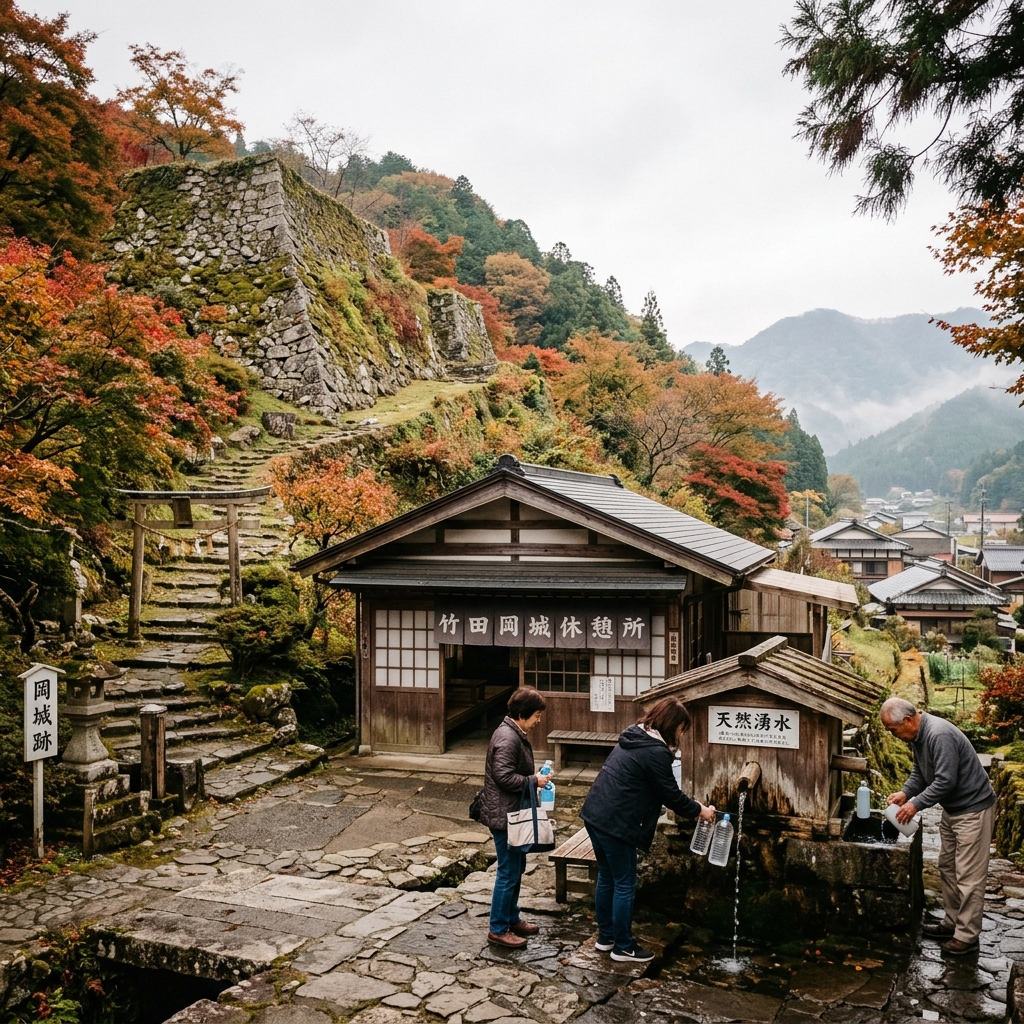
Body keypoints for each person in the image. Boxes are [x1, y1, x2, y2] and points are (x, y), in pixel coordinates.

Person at [580, 696, 715, 963]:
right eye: (681, 729)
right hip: (616, 823)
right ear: (672, 725)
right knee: (625, 883)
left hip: (595, 813)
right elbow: (670, 795)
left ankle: (606, 938)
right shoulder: (655, 751)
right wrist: (700, 809)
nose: (681, 734)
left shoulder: (634, 737)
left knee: (607, 877)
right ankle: (623, 947)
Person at [881, 696, 996, 955]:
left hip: (974, 809)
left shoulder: (938, 734)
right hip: (954, 809)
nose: (893, 735)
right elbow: (920, 773)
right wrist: (905, 793)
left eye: (893, 729)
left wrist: (915, 805)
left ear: (908, 720)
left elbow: (945, 781)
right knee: (947, 867)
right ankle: (952, 922)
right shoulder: (917, 738)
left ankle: (967, 936)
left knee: (969, 875)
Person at [478, 687, 550, 949]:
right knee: (508, 871)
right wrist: (534, 780)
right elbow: (503, 776)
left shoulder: (513, 732)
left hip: (510, 811)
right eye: (536, 715)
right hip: (504, 815)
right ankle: (498, 928)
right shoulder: (508, 738)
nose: (538, 720)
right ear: (522, 714)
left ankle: (511, 917)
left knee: (516, 868)